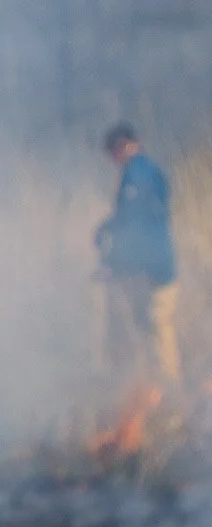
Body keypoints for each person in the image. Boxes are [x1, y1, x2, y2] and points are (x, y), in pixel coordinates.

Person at [96, 122, 180, 386]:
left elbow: (134, 226)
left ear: (123, 146)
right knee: (150, 327)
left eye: (113, 153)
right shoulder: (146, 170)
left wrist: (112, 263)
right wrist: (106, 226)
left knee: (157, 328)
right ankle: (156, 388)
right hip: (154, 264)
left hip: (155, 266)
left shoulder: (137, 174)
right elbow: (132, 218)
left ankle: (169, 394)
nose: (113, 161)